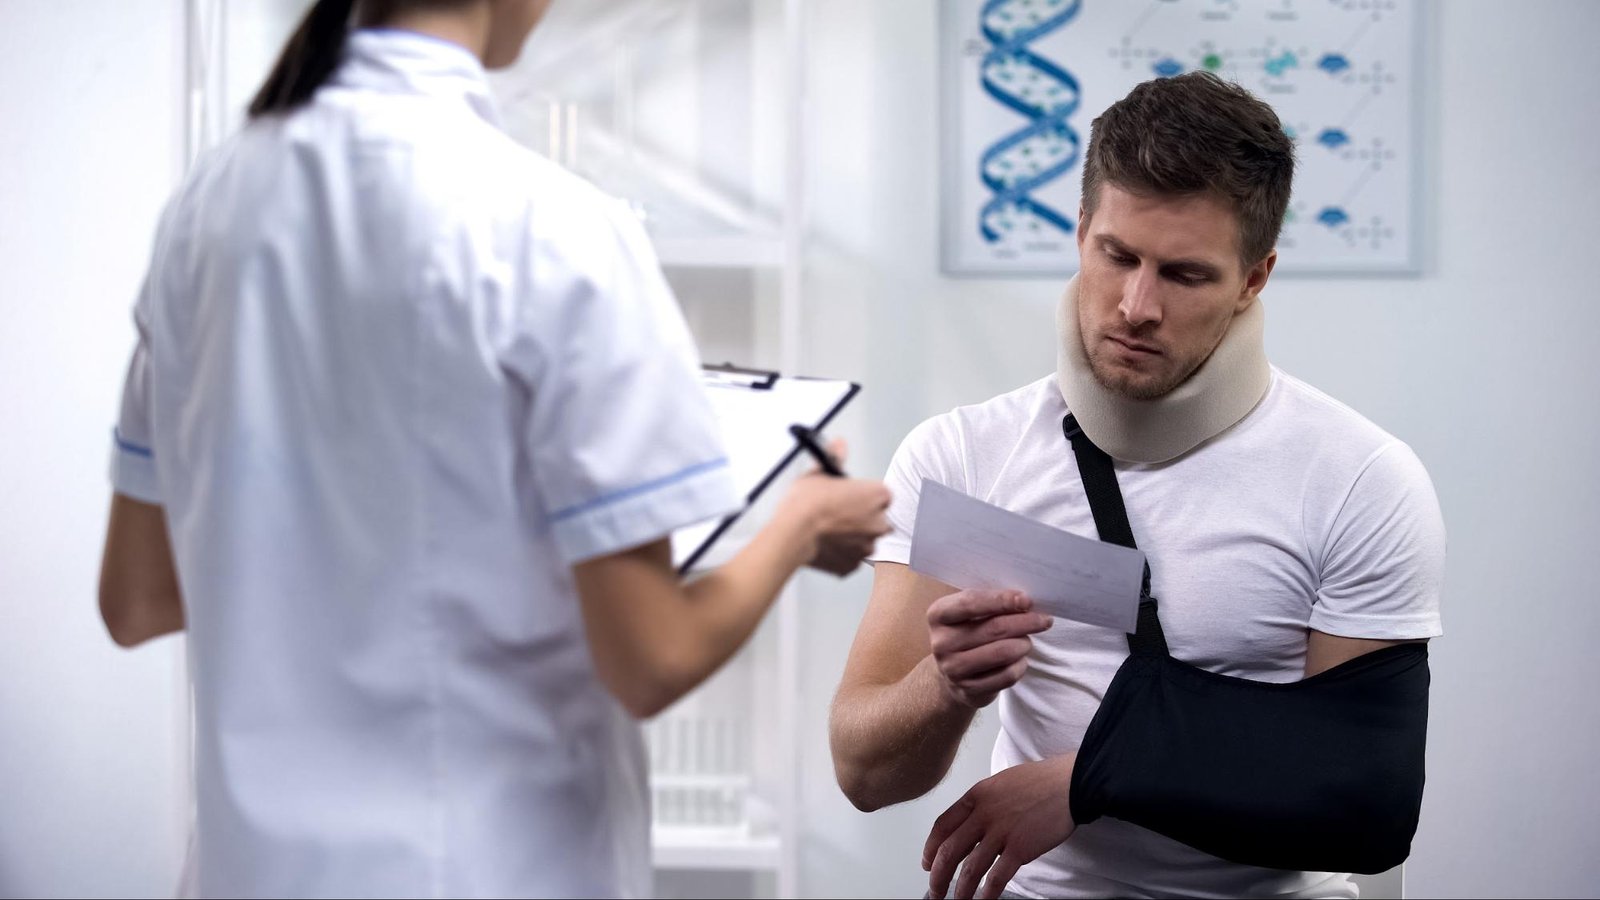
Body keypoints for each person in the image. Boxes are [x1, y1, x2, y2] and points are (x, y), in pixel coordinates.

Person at [96, 1, 890, 896]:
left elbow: (138, 597)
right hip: (483, 868)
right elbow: (654, 659)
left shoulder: (204, 212)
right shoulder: (552, 223)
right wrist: (799, 525)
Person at [828, 71, 1445, 900]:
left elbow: (1363, 804)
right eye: (1116, 256)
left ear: (1254, 279)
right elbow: (864, 775)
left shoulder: (1359, 478)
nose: (1136, 305)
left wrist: (1092, 779)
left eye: (1186, 275)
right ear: (1081, 232)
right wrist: (944, 684)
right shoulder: (962, 457)